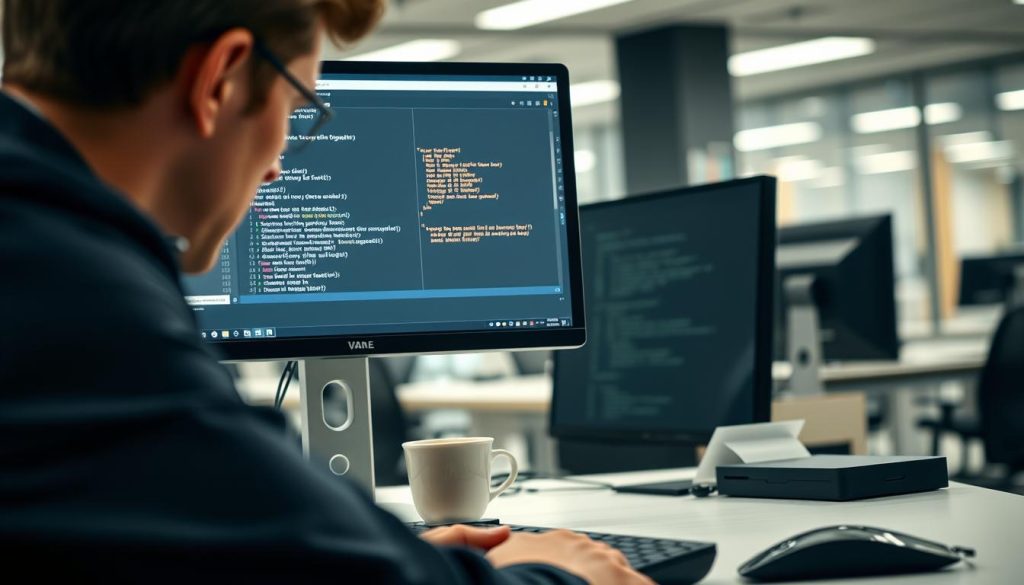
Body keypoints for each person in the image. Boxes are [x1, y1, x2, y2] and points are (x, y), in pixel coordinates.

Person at [0, 1, 654, 583]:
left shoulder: (47, 239)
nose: (281, 160)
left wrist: (390, 550)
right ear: (220, 80)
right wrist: (554, 574)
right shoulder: (78, 301)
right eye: (297, 107)